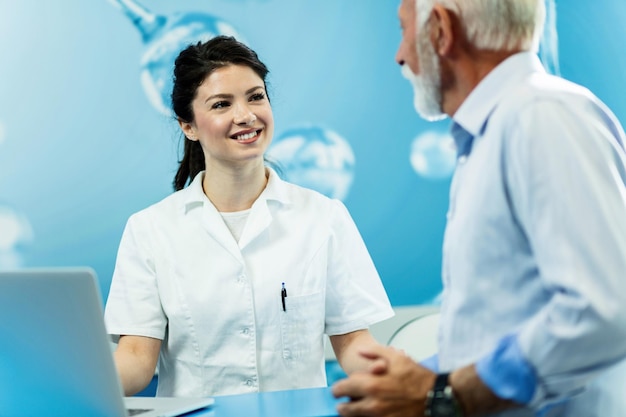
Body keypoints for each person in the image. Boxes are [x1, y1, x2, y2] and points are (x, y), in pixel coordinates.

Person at [332, 0, 626, 416]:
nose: (400, 54)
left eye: (404, 31)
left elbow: (604, 310)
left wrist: (448, 393)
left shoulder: (540, 115)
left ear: (441, 31)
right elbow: (501, 323)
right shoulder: (498, 130)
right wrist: (418, 378)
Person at [104, 35, 394, 398]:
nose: (246, 116)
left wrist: (399, 378)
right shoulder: (150, 229)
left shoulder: (324, 217)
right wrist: (72, 387)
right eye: (222, 104)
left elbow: (352, 344)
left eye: (256, 96)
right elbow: (135, 358)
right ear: (188, 126)